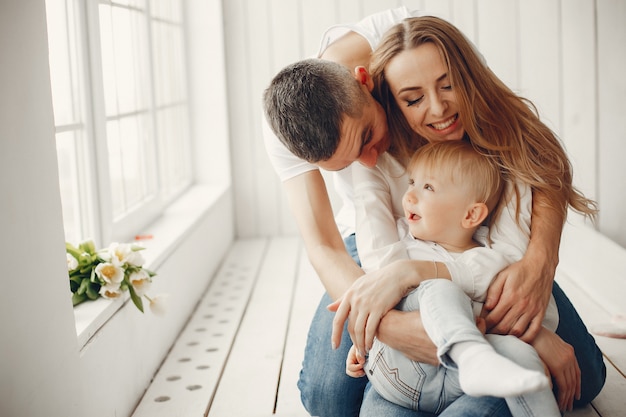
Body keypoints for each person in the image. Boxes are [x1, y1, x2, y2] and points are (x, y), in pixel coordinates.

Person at [262, 7, 605, 417]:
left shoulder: (414, 46)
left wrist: (539, 261)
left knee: (582, 376)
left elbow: (531, 152)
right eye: (350, 162)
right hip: (378, 240)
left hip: (468, 237)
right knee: (328, 399)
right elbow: (324, 246)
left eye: (369, 136)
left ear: (367, 81)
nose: (370, 162)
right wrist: (392, 327)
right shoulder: (288, 126)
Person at [344, 139, 560, 416]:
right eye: (412, 183)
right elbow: (380, 300)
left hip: (459, 380)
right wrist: (364, 343)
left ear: (471, 214)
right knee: (438, 288)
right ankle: (471, 356)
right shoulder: (403, 248)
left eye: (428, 187)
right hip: (403, 373)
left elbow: (530, 315)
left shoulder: (490, 259)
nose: (409, 196)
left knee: (526, 362)